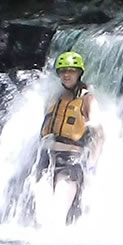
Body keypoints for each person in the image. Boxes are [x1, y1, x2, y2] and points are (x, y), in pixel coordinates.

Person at [31, 50, 98, 225]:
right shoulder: (55, 99)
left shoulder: (87, 100)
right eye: (63, 71)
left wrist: (91, 166)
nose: (67, 75)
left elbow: (99, 135)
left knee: (57, 214)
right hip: (47, 159)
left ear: (79, 73)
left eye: (71, 70)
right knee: (41, 218)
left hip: (71, 161)